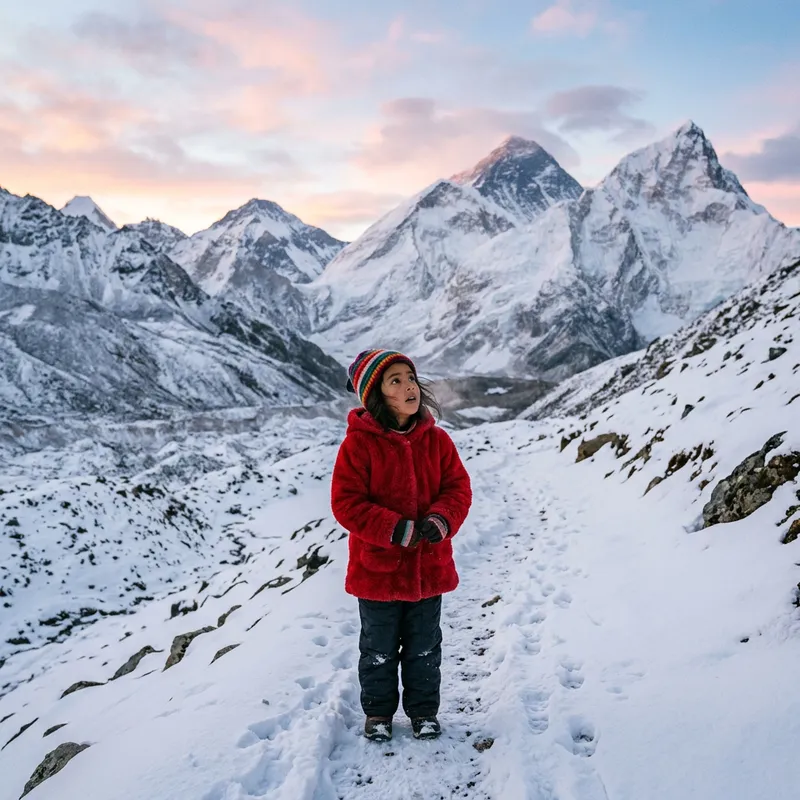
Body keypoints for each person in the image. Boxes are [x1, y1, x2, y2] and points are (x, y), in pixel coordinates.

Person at [330, 349, 472, 742]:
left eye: (410, 377)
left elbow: (457, 488)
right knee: (378, 649)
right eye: (396, 380)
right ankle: (378, 714)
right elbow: (346, 504)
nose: (409, 386)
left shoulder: (438, 442)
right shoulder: (358, 447)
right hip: (378, 573)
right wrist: (396, 530)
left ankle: (424, 712)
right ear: (376, 396)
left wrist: (441, 520)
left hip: (429, 568)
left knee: (425, 647)